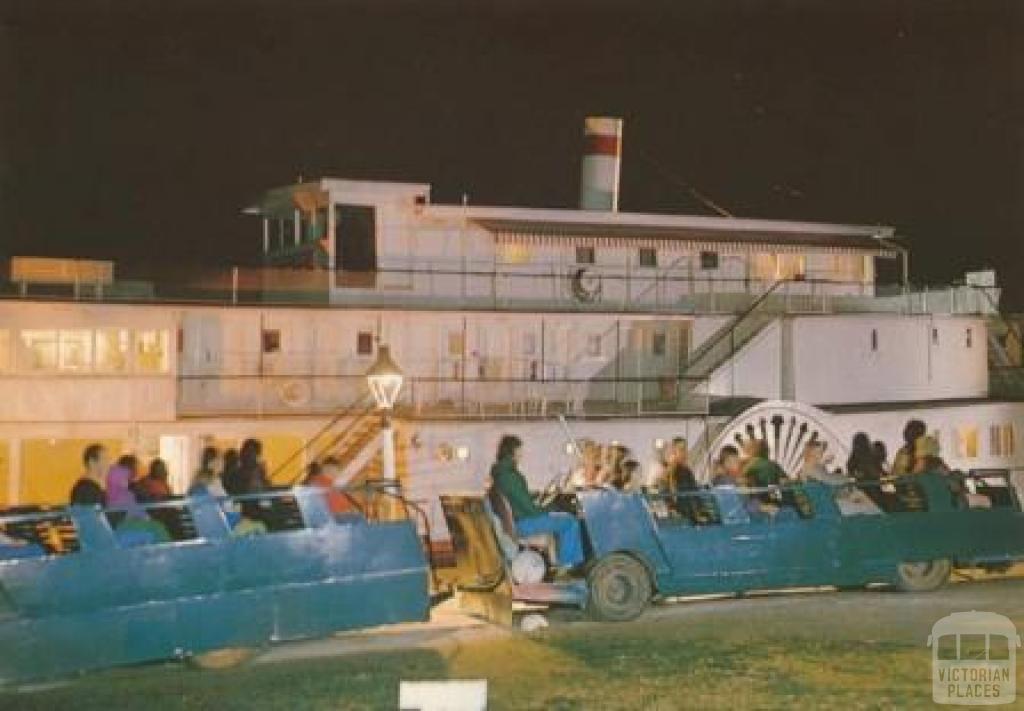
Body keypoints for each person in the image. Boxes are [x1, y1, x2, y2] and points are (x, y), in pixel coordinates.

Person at [490, 435, 584, 570]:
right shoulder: (510, 476)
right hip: (523, 523)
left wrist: (535, 498)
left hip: (518, 520)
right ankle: (568, 565)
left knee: (561, 518)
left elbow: (519, 498)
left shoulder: (501, 473)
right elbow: (531, 510)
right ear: (513, 451)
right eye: (520, 450)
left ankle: (560, 561)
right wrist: (551, 508)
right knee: (570, 521)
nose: (522, 454)